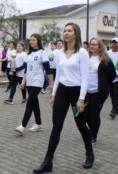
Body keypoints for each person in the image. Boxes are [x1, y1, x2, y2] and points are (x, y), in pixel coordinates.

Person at [33, 23, 93, 173]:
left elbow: (85, 78)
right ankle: (48, 162)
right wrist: (53, 94)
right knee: (56, 127)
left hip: (77, 93)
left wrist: (81, 99)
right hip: (62, 93)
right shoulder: (59, 53)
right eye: (64, 31)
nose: (66, 33)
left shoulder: (82, 53)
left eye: (69, 31)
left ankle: (90, 154)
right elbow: (58, 75)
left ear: (76, 34)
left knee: (81, 125)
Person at [15, 35, 49, 134]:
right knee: (35, 103)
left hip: (38, 81)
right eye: (30, 40)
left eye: (34, 40)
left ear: (38, 41)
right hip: (29, 81)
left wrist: (51, 85)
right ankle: (38, 123)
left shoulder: (43, 53)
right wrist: (23, 82)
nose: (31, 41)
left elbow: (48, 69)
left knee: (30, 102)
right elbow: (26, 70)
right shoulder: (28, 54)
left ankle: (23, 125)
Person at [85, 38, 116, 144]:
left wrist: (104, 84)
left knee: (94, 113)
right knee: (84, 114)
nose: (92, 46)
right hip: (85, 91)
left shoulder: (105, 59)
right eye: (90, 44)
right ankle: (91, 130)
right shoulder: (86, 57)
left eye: (94, 44)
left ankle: (93, 135)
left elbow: (112, 76)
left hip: (99, 92)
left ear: (100, 46)